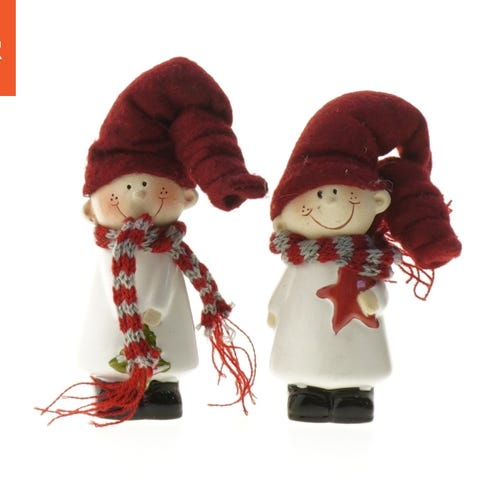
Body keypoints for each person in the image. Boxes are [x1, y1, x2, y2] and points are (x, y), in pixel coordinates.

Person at [39, 57, 267, 425]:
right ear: (91, 210)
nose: (138, 195)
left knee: (165, 363)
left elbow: (162, 282)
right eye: (125, 187)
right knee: (112, 359)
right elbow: (112, 284)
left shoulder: (166, 249)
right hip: (114, 326)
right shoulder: (112, 251)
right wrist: (137, 311)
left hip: (160, 321)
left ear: (186, 198)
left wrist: (154, 307)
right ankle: (113, 391)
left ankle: (161, 390)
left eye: (147, 184)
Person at [268, 91, 461, 423]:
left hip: (356, 338)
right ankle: (305, 394)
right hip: (304, 340)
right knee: (303, 358)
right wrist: (275, 309)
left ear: (379, 202)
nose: (328, 201)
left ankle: (354, 396)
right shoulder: (301, 260)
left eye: (339, 192)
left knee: (355, 360)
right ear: (281, 221)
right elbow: (285, 289)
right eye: (316, 194)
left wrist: (374, 299)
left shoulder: (365, 260)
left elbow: (376, 289)